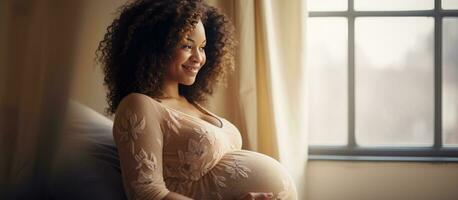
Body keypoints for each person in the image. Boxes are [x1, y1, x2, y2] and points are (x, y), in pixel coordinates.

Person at [97, 0, 297, 199]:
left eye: (202, 47)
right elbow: (148, 194)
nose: (198, 58)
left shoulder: (190, 103)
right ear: (154, 47)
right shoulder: (139, 105)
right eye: (187, 46)